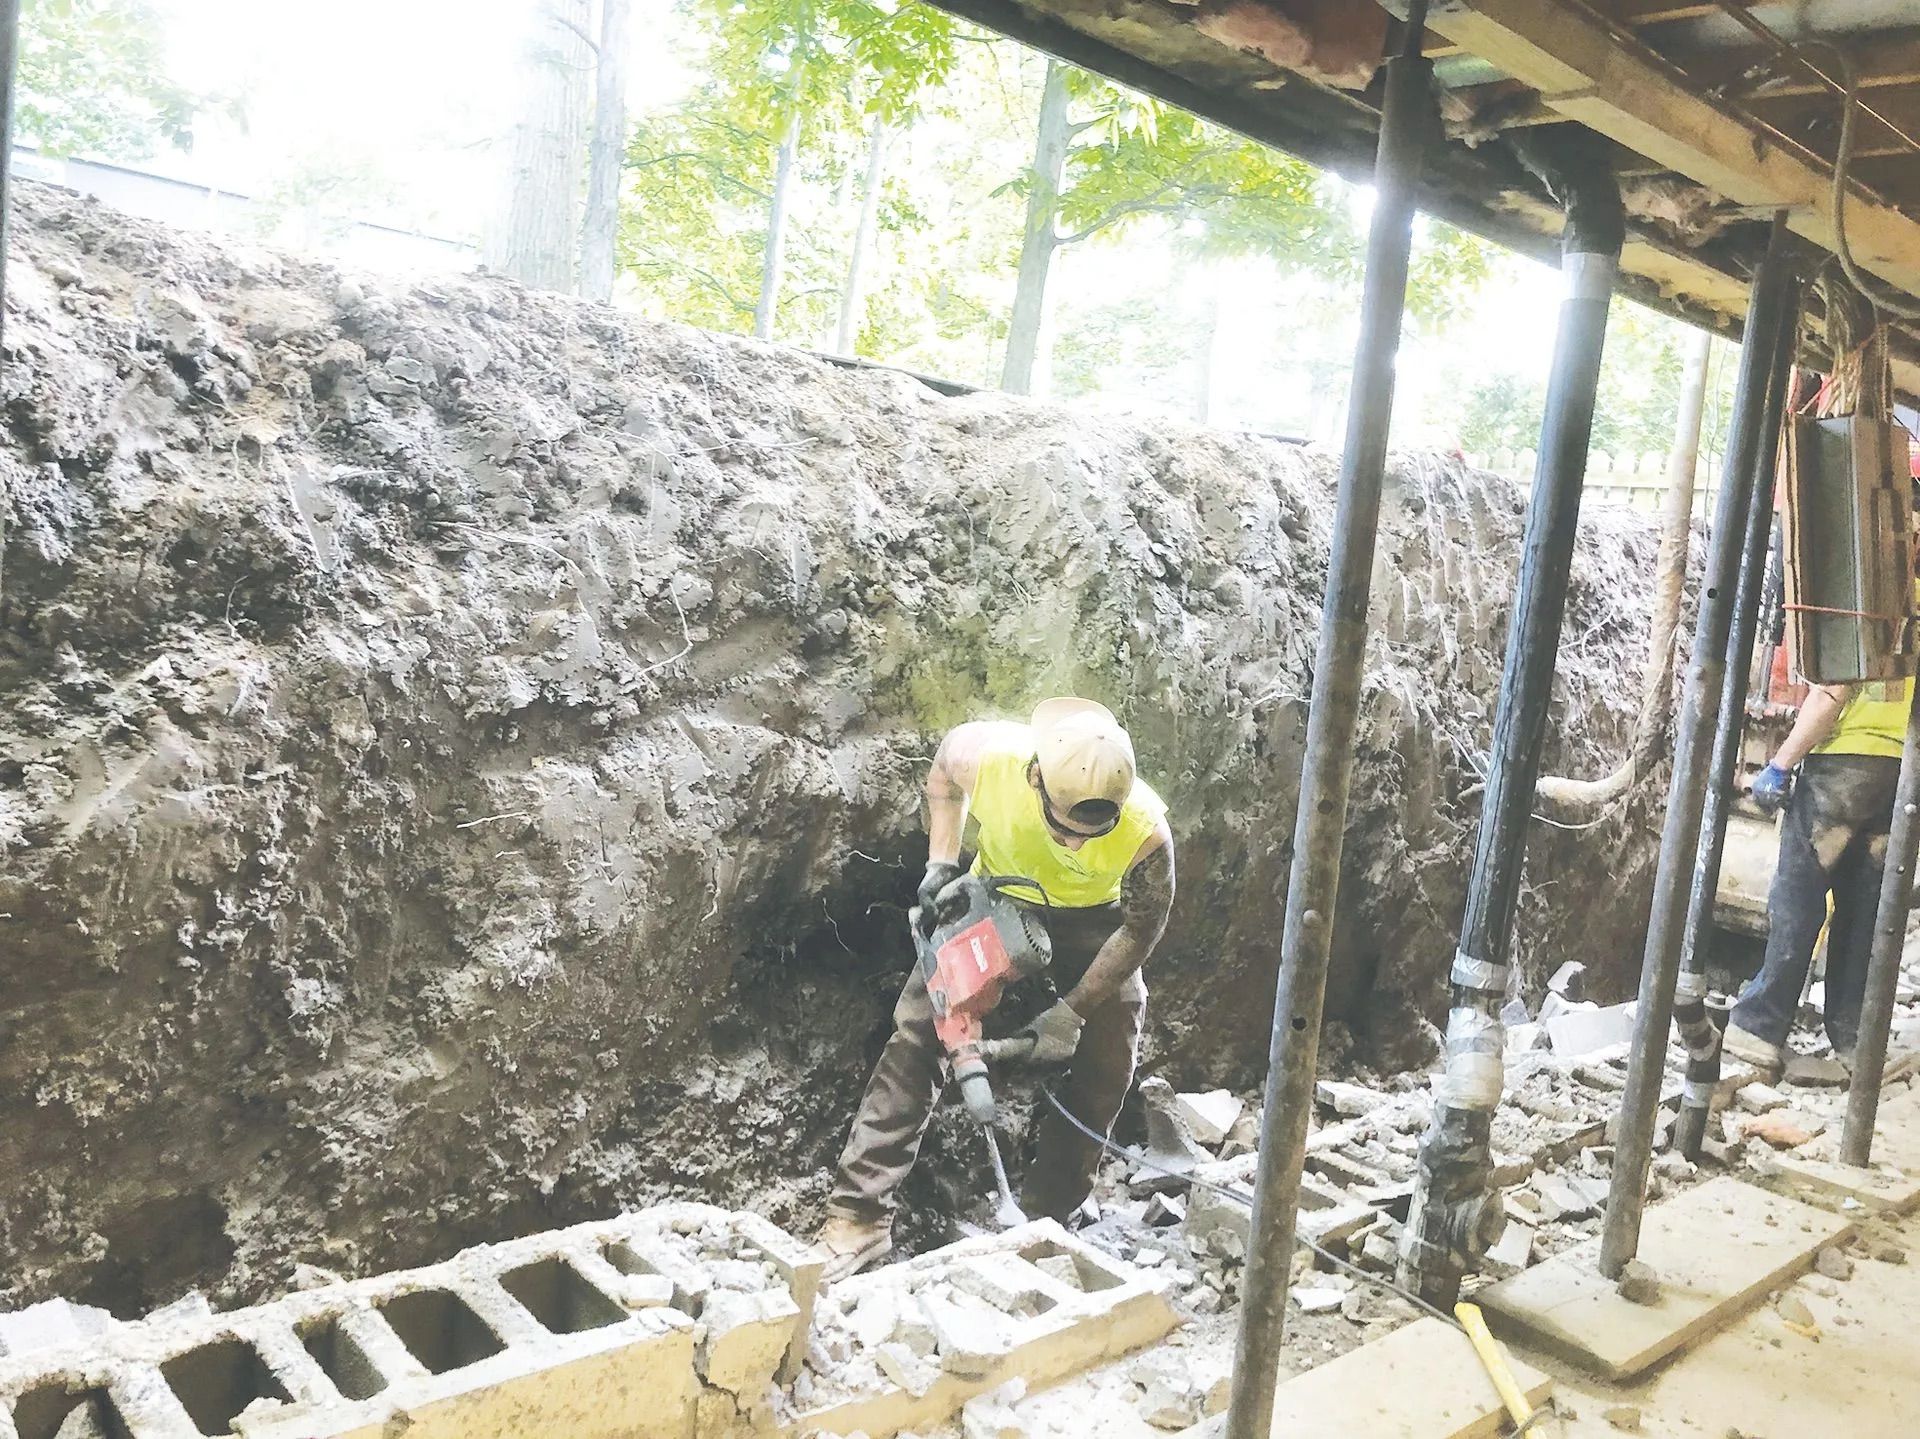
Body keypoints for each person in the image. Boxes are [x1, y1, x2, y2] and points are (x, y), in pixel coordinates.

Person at [816, 698, 1176, 1281]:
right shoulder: (985, 756)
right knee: (919, 1035)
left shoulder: (1144, 829)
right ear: (1036, 778)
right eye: (1065, 828)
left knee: (1111, 1056)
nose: (1079, 845)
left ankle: (1047, 1215)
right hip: (997, 894)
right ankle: (858, 1217)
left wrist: (1071, 1012)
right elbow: (941, 776)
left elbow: (1143, 929)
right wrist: (940, 861)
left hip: (1097, 920)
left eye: (1094, 831)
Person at [1724, 672, 1914, 1073]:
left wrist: (1779, 764)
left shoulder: (1873, 610)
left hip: (1842, 767)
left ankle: (1760, 1027)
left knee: (1799, 897)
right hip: (1903, 775)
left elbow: (1833, 691)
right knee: (1865, 914)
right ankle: (1853, 1039)